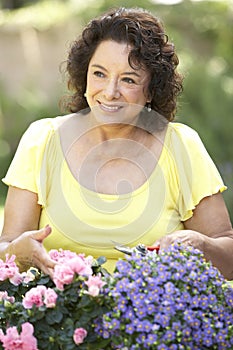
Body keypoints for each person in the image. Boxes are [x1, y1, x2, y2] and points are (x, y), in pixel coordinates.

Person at [1, 7, 233, 279]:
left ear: (151, 91)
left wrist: (201, 245)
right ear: (84, 76)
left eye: (128, 79)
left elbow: (228, 258)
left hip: (155, 318)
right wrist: (18, 252)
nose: (110, 93)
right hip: (57, 318)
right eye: (99, 74)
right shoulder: (42, 140)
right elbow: (7, 249)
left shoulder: (181, 145)